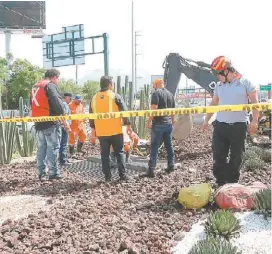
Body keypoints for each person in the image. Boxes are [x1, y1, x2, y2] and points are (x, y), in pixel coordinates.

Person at [203, 56, 259, 186]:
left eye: (218, 73)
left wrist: (255, 120)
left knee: (237, 157)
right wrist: (206, 120)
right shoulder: (219, 85)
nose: (217, 77)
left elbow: (255, 103)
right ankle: (221, 183)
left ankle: (232, 182)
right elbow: (213, 103)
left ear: (226, 71)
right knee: (218, 156)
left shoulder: (245, 83)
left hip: (238, 126)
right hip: (221, 126)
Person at [89, 76, 132, 182]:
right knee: (120, 153)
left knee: (104, 155)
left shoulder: (94, 98)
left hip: (102, 132)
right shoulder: (115, 96)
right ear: (109, 84)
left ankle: (107, 177)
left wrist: (93, 132)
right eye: (112, 84)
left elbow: (91, 117)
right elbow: (124, 112)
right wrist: (128, 126)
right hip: (115, 131)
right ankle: (122, 176)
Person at [30, 68, 70, 181]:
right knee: (53, 147)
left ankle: (41, 172)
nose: (58, 81)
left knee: (41, 148)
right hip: (50, 123)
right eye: (58, 79)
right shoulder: (50, 85)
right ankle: (53, 173)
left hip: (38, 122)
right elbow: (57, 104)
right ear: (54, 77)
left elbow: (31, 104)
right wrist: (64, 120)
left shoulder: (35, 86)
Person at [146, 78, 176, 178]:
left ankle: (152, 169)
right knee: (169, 145)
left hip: (158, 124)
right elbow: (173, 111)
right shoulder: (170, 94)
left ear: (156, 85)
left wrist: (149, 121)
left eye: (154, 85)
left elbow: (153, 110)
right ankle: (171, 165)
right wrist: (172, 121)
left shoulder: (156, 94)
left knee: (154, 146)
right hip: (168, 124)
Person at [59, 92, 72, 165]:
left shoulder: (62, 104)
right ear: (66, 97)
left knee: (62, 144)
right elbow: (64, 116)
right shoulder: (64, 104)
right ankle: (63, 160)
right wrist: (66, 126)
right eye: (70, 98)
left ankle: (63, 158)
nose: (70, 100)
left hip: (62, 126)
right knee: (63, 144)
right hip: (64, 127)